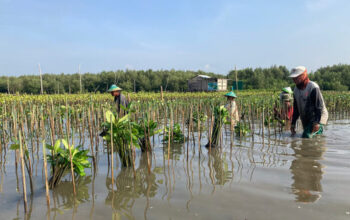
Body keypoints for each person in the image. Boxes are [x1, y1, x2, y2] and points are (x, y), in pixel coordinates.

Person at [289, 66, 328, 138]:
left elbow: (318, 107)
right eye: (293, 78)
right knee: (311, 137)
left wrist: (316, 123)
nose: (294, 80)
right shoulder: (295, 90)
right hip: (307, 117)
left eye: (297, 77)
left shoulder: (313, 87)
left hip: (318, 116)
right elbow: (296, 109)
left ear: (304, 75)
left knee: (306, 136)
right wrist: (293, 124)